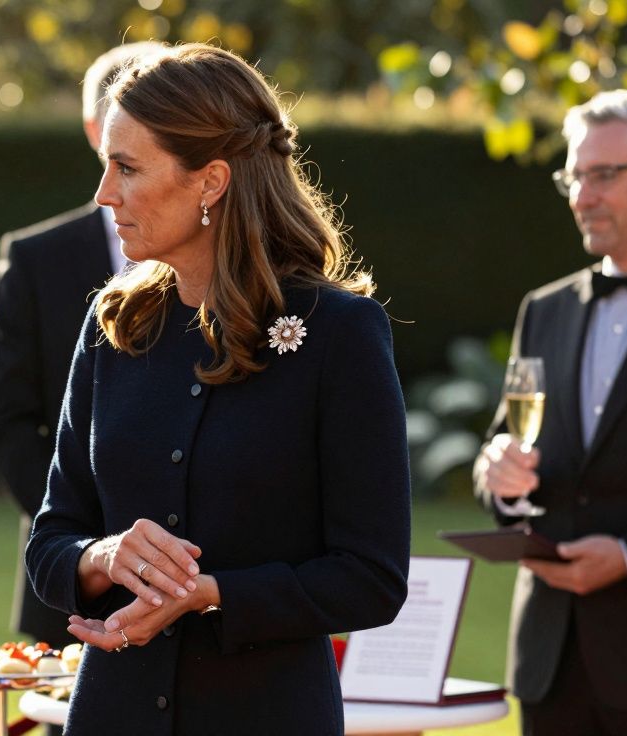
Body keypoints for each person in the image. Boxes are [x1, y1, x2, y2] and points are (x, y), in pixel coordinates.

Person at [24, 44, 410, 735]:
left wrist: (209, 594)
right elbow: (50, 539)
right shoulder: (114, 324)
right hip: (115, 715)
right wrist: (101, 556)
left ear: (210, 181)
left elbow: (371, 576)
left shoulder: (339, 334)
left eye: (127, 167)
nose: (104, 193)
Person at [0, 41, 162, 654]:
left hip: (195, 571)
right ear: (95, 127)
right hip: (70, 586)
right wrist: (81, 539)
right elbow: (6, 417)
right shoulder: (35, 257)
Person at [472, 89, 627, 736]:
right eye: (574, 175)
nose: (581, 195)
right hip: (548, 666)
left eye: (604, 175)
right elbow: (504, 445)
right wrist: (499, 476)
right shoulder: (545, 310)